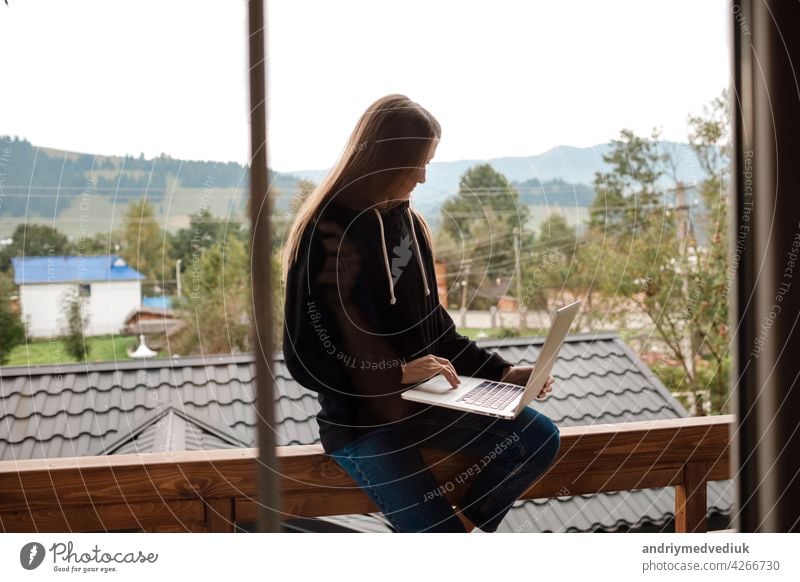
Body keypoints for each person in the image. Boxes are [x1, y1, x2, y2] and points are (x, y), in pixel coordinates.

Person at [282, 94, 560, 532]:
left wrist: (502, 374)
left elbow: (436, 331)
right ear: (386, 158)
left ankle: (464, 528)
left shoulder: (407, 225)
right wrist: (396, 372)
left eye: (430, 161)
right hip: (362, 424)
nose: (425, 177)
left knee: (537, 438)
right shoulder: (325, 233)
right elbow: (306, 359)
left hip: (427, 407)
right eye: (418, 162)